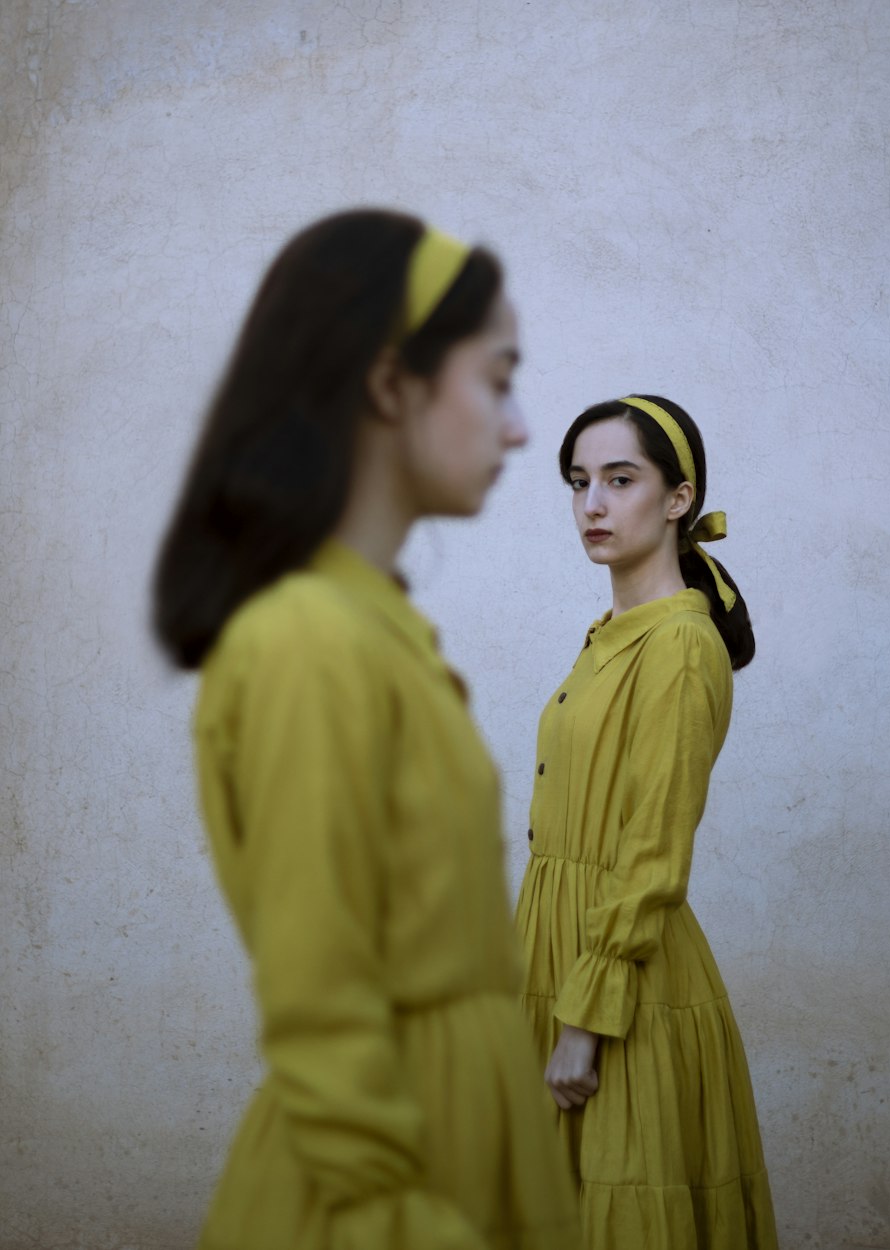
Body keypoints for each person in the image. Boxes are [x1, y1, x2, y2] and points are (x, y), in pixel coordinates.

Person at [153, 208, 580, 1250]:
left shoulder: (370, 627)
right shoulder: (305, 639)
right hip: (379, 1191)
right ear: (392, 384)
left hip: (459, 1147)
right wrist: (399, 1214)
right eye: (497, 378)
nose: (522, 427)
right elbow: (318, 991)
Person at [515, 395, 778, 1248]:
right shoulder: (611, 633)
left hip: (621, 984)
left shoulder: (681, 647)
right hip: (556, 953)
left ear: (677, 500)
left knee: (627, 1210)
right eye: (579, 482)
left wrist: (585, 1022)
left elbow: (654, 850)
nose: (593, 503)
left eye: (620, 479)